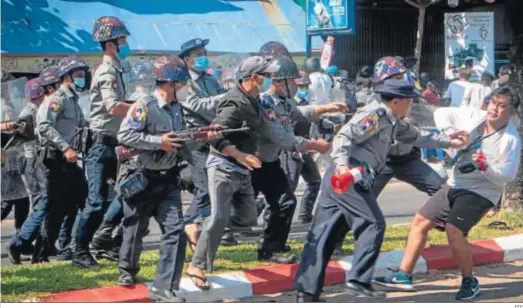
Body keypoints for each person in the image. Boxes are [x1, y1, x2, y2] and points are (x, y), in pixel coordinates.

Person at [293, 79, 467, 302]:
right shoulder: (375, 116)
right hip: (348, 175)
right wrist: (343, 165)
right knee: (373, 224)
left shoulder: (394, 120)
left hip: (343, 177)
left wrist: (451, 142)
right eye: (409, 101)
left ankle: (306, 294)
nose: (411, 105)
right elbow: (345, 136)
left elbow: (417, 136)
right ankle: (358, 280)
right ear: (396, 101)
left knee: (326, 233)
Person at [374, 87, 521, 301]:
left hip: (482, 191)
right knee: (420, 222)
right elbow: (440, 113)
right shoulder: (475, 117)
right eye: (493, 103)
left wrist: (485, 167)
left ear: (511, 111)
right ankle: (403, 276)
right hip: (456, 183)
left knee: (454, 230)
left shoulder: (510, 139)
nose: (494, 109)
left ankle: (469, 281)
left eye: (501, 106)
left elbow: (507, 176)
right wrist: (451, 131)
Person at [116, 56, 210, 302]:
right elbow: (125, 135)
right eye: (181, 83)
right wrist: (159, 142)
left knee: (175, 232)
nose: (184, 88)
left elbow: (181, 141)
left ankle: (163, 286)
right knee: (135, 227)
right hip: (143, 177)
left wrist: (203, 136)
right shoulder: (143, 106)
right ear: (168, 83)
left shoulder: (178, 109)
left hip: (168, 180)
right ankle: (127, 269)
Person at [72, 16, 133, 268]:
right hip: (100, 145)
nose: (126, 43)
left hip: (115, 143)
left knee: (129, 191)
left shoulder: (117, 69)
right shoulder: (107, 71)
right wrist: (141, 108)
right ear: (110, 44)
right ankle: (79, 251)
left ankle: (105, 239)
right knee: (95, 201)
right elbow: (113, 107)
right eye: (122, 39)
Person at [33, 56, 89, 262]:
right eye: (79, 75)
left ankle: (76, 249)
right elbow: (45, 126)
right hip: (56, 158)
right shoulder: (58, 99)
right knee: (55, 208)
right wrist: (66, 148)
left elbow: (80, 126)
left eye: (84, 75)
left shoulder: (74, 100)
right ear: (66, 77)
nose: (83, 79)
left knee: (80, 201)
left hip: (70, 160)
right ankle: (41, 254)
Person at [179, 37, 227, 252]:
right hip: (194, 141)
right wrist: (225, 98)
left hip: (213, 139)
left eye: (204, 53)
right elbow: (198, 106)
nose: (203, 58)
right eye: (198, 55)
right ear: (186, 60)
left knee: (216, 186)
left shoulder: (209, 80)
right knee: (203, 190)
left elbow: (221, 106)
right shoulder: (181, 83)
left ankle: (206, 228)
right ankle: (186, 226)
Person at [7, 78, 49, 264]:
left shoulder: (32, 110)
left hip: (35, 162)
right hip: (33, 164)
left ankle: (32, 247)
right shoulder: (30, 113)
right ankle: (19, 242)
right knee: (43, 203)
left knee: (45, 203)